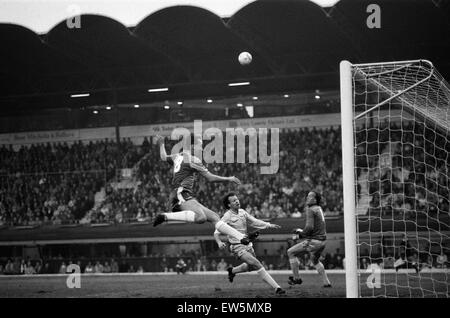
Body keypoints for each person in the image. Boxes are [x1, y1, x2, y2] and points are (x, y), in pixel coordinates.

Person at [152, 135, 256, 245]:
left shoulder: (177, 156)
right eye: (200, 146)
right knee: (201, 217)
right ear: (191, 146)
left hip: (183, 194)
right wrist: (228, 178)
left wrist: (161, 143)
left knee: (215, 217)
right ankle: (165, 216)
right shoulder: (193, 160)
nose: (201, 149)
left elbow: (163, 157)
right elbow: (210, 178)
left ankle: (242, 237)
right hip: (180, 193)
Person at [214, 192, 286, 295]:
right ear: (229, 205)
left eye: (237, 199)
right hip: (237, 247)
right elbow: (216, 231)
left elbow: (254, 221)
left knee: (252, 267)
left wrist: (268, 225)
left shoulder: (242, 212)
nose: (237, 201)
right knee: (257, 264)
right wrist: (219, 242)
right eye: (233, 200)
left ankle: (232, 271)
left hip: (247, 244)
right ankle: (277, 288)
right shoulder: (227, 216)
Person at [287, 191, 331, 288]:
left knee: (290, 252)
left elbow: (309, 228)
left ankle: (296, 278)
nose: (307, 198)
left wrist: (299, 235)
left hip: (314, 242)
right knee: (314, 260)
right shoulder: (319, 208)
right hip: (322, 242)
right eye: (307, 196)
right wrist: (301, 231)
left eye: (310, 196)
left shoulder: (310, 209)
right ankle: (326, 283)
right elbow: (314, 228)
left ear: (315, 200)